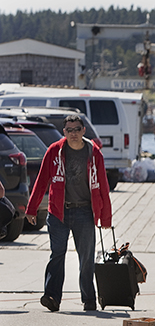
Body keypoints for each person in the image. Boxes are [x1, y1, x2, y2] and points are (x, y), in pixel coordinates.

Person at [25, 115, 112, 312]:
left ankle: (89, 298)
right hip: (58, 212)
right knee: (57, 254)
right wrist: (31, 208)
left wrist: (105, 216)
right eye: (69, 130)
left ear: (83, 131)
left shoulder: (93, 152)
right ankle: (52, 297)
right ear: (64, 132)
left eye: (77, 129)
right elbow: (41, 181)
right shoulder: (54, 151)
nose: (73, 133)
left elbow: (104, 187)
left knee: (86, 257)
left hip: (84, 211)